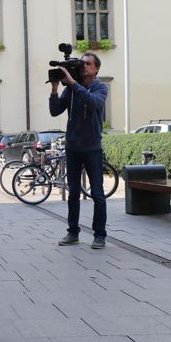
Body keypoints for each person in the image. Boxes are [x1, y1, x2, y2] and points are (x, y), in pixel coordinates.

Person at [49, 52, 109, 249]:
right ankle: (73, 232)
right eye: (82, 63)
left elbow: (94, 103)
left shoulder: (101, 87)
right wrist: (55, 88)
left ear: (96, 68)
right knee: (73, 193)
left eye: (88, 63)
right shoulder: (70, 90)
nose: (84, 66)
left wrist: (73, 84)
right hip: (73, 147)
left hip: (92, 147)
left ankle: (100, 235)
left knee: (97, 194)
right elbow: (55, 111)